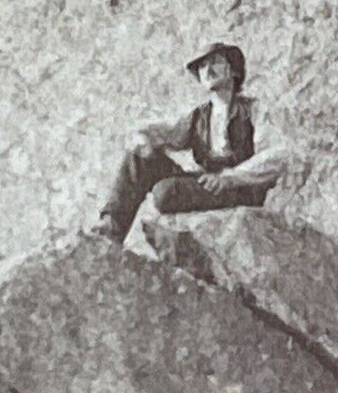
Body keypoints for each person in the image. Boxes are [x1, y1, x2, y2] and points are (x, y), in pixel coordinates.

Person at [94, 42, 288, 244]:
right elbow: (167, 133)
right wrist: (143, 137)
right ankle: (110, 227)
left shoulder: (254, 109)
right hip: (207, 185)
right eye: (203, 67)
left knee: (165, 192)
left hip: (239, 190)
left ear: (232, 69)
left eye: (215, 62)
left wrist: (230, 178)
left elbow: (277, 156)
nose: (208, 70)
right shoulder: (198, 116)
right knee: (139, 158)